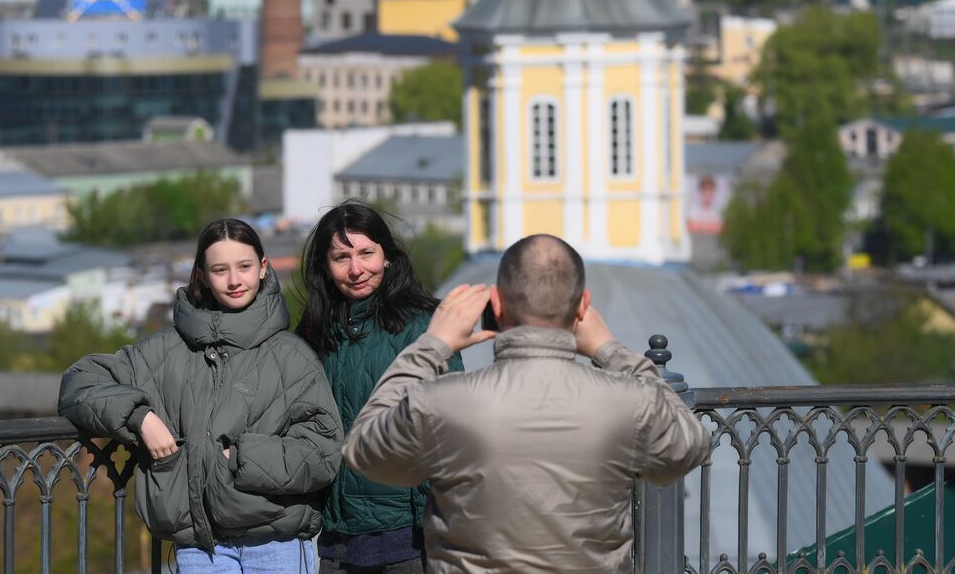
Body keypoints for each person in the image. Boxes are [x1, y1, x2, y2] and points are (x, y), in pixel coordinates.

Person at [343, 234, 711, 573]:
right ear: (583, 307)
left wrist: (432, 345)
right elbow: (689, 444)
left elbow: (362, 449)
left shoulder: (443, 403)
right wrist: (609, 349)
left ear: (497, 304)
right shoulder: (628, 402)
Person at [58, 219, 341, 573]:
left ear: (263, 268)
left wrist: (239, 457)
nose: (235, 280)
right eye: (220, 270)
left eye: (245, 267)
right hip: (199, 546)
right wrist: (139, 418)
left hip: (276, 542)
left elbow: (322, 453)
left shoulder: (292, 356)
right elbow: (79, 382)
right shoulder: (164, 351)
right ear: (203, 275)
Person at [295, 201, 463, 573]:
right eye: (341, 257)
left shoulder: (423, 326)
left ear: (387, 256)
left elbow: (454, 425)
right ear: (324, 266)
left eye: (366, 253)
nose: (356, 269)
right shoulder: (313, 332)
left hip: (410, 538)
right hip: (337, 539)